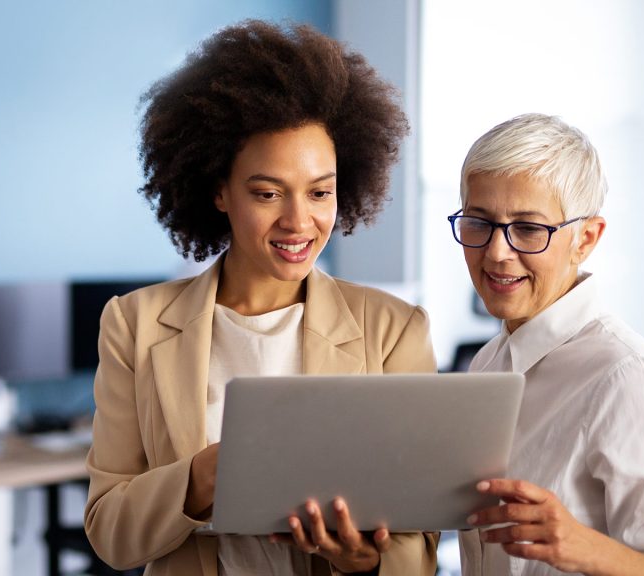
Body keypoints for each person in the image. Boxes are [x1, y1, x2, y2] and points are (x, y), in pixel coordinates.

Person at [83, 20, 438, 576]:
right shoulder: (135, 323)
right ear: (219, 190)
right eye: (268, 193)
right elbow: (110, 532)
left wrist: (366, 562)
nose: (300, 221)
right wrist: (202, 479)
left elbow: (419, 546)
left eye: (321, 192)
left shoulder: (394, 330)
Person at [449, 114, 644, 576]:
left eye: (529, 229)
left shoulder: (625, 375)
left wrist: (583, 547)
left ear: (585, 239)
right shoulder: (490, 361)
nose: (496, 252)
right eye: (479, 222)